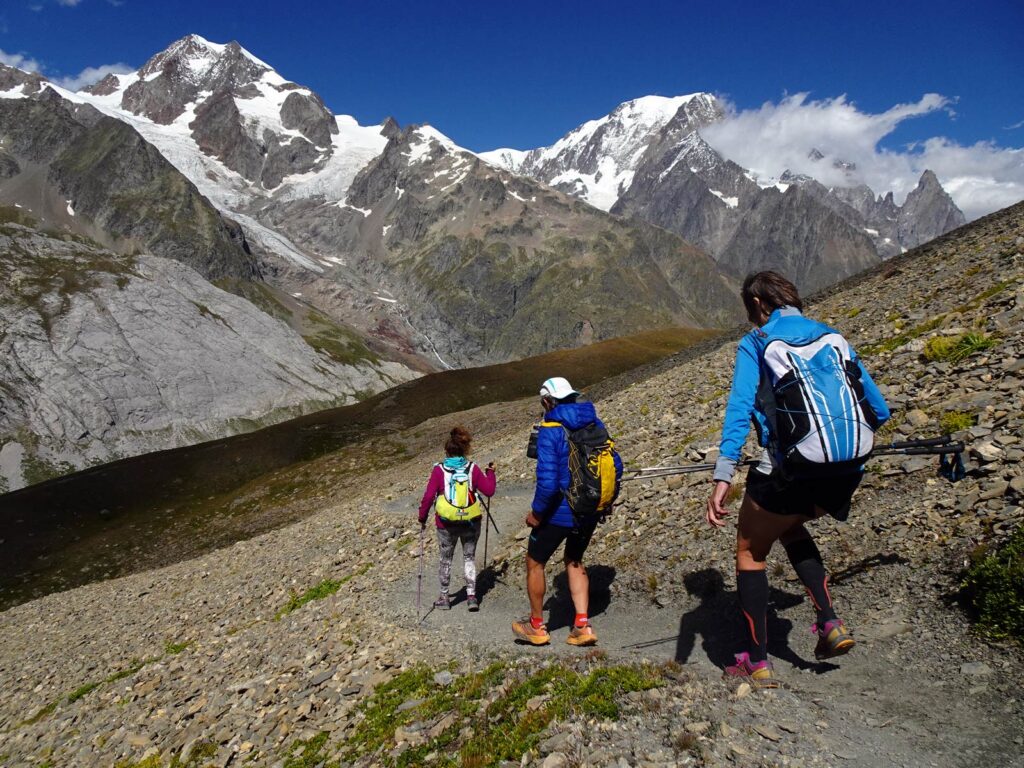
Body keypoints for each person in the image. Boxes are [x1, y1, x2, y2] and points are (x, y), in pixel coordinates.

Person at [706, 271, 890, 687]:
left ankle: (756, 661)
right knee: (790, 526)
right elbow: (878, 410)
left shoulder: (756, 342)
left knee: (750, 551)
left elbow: (737, 409)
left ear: (756, 303)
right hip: (845, 474)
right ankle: (829, 622)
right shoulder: (832, 335)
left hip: (793, 471)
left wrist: (723, 475)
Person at [512, 377, 622, 646]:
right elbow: (615, 465)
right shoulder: (595, 423)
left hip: (561, 512)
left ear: (548, 401)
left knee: (535, 561)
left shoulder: (551, 428)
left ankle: (537, 627)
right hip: (590, 509)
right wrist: (604, 502)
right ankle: (582, 626)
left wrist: (537, 515)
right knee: (574, 560)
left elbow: (549, 484)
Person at [418, 426, 496, 612]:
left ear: (447, 451)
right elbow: (489, 491)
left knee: (446, 559)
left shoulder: (439, 470)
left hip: (446, 523)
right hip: (471, 521)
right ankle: (471, 597)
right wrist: (491, 473)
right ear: (464, 449)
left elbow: (429, 496)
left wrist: (422, 516)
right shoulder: (473, 468)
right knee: (469, 557)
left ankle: (444, 598)